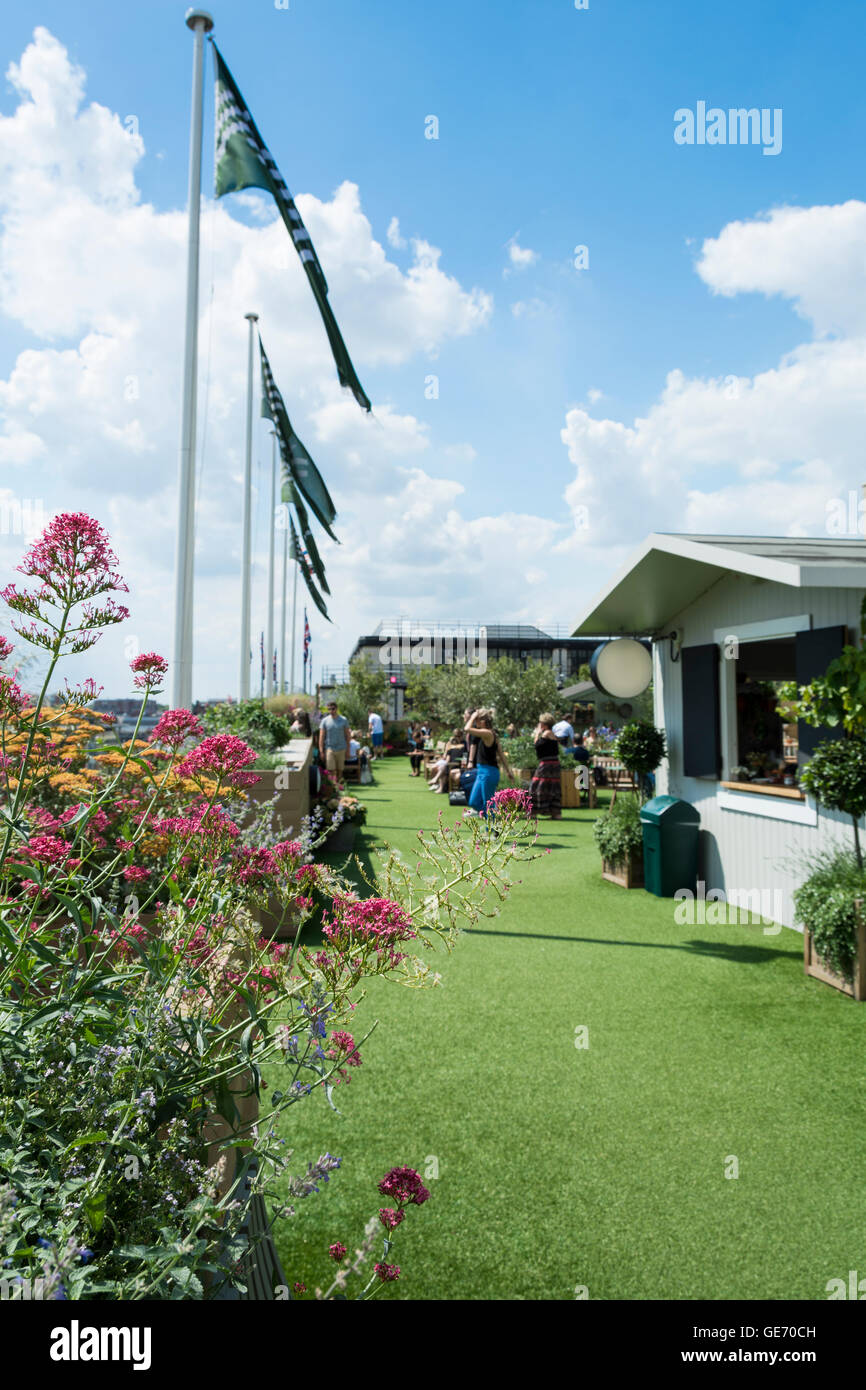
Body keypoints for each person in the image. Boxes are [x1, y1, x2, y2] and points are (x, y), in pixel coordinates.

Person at [463, 708, 515, 820]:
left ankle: (491, 830)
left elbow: (467, 728)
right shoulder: (490, 734)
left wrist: (472, 716)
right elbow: (501, 755)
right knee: (473, 801)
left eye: (477, 720)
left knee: (489, 804)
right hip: (482, 771)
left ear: (483, 721)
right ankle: (496, 817)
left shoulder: (488, 733)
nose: (475, 722)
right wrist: (508, 771)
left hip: (489, 773)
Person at [530, 712, 562, 820]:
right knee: (553, 788)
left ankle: (533, 812)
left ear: (544, 724)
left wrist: (537, 733)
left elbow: (537, 746)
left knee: (536, 786)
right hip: (555, 764)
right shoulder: (551, 733)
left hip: (546, 764)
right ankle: (556, 813)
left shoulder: (546, 734)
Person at [318, 700, 351, 788]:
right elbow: (321, 736)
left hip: (341, 748)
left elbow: (348, 735)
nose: (331, 711)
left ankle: (339, 786)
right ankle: (332, 786)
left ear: (336, 709)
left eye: (333, 709)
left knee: (340, 769)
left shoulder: (343, 720)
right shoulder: (325, 721)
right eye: (329, 709)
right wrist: (321, 751)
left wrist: (348, 749)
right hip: (330, 748)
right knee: (330, 769)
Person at [428, 728, 465, 793]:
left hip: (458, 765)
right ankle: (439, 785)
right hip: (450, 765)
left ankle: (437, 783)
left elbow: (465, 758)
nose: (457, 738)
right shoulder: (451, 745)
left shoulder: (464, 745)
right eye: (455, 736)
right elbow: (447, 757)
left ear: (462, 736)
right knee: (442, 767)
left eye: (458, 736)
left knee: (443, 767)